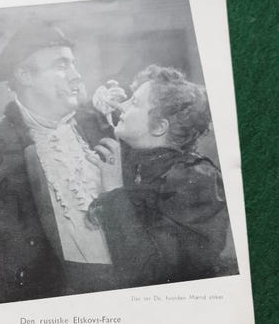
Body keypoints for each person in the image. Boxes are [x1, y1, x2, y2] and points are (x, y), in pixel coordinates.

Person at [0, 20, 125, 303]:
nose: (76, 77)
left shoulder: (98, 124)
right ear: (25, 75)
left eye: (73, 64)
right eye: (61, 65)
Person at [87, 65, 239, 288]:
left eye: (134, 103)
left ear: (159, 126)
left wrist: (113, 191)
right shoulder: (140, 161)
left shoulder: (195, 178)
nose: (121, 106)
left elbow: (152, 275)